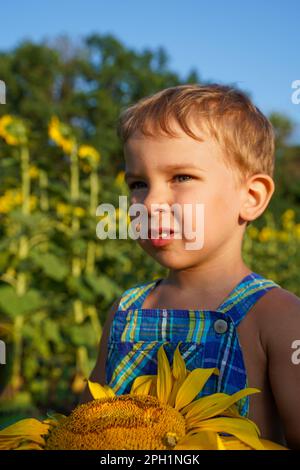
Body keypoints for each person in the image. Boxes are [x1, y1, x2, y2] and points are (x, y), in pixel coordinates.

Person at [80, 84, 300, 449]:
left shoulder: (278, 317)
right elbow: (86, 424)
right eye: (138, 183)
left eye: (181, 177)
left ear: (251, 197)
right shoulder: (126, 309)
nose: (150, 203)